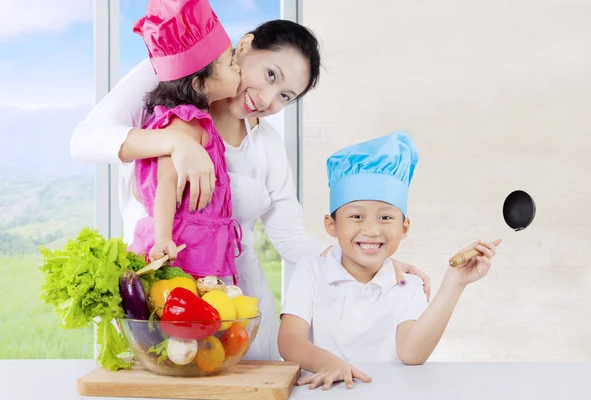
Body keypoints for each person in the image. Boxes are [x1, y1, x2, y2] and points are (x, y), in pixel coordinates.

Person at [70, 16, 431, 360]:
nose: (267, 99)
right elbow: (85, 141)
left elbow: (290, 241)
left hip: (237, 311)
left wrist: (371, 257)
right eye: (270, 74)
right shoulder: (173, 81)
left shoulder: (268, 146)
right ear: (244, 47)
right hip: (156, 300)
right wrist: (177, 145)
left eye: (285, 96)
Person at [278, 131, 500, 390]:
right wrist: (329, 363)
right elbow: (289, 342)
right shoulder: (311, 272)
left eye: (385, 218)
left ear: (404, 228)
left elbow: (412, 354)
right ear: (332, 225)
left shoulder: (409, 285)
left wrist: (455, 283)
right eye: (356, 217)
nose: (372, 230)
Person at [126, 0, 242, 283]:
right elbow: (166, 181)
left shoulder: (195, 120)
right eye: (230, 62)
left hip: (198, 244)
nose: (238, 67)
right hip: (182, 246)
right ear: (199, 84)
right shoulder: (185, 122)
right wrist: (163, 237)